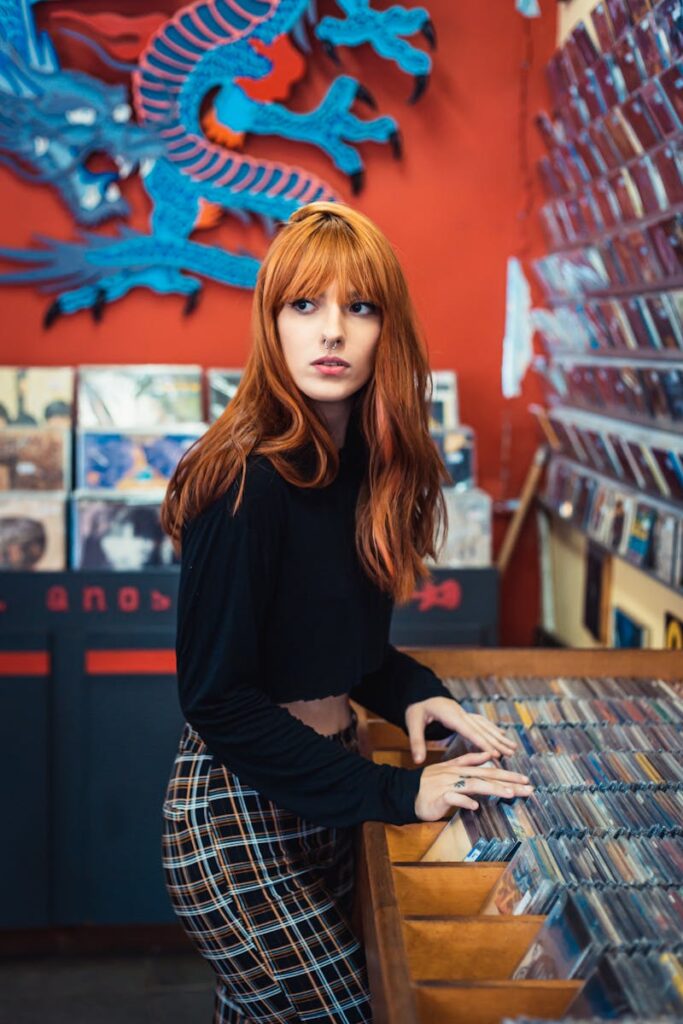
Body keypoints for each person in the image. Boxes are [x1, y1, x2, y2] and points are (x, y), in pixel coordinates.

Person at [159, 201, 533, 1024]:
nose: (331, 332)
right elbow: (216, 698)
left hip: (325, 788)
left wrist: (411, 692)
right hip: (238, 816)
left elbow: (344, 649)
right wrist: (400, 794)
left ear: (386, 329)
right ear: (273, 323)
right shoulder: (244, 481)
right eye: (305, 305)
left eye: (357, 307)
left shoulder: (369, 470)